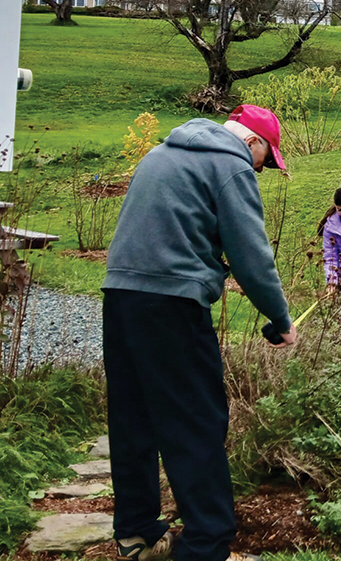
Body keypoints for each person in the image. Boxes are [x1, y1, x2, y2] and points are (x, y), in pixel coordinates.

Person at [103, 105, 294, 561]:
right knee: (197, 420)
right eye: (266, 160)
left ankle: (137, 534)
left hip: (120, 295)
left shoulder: (159, 154)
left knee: (133, 417)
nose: (261, 170)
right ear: (253, 141)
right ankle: (205, 545)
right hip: (172, 306)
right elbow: (251, 255)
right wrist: (281, 319)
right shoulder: (230, 163)